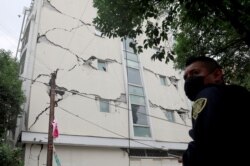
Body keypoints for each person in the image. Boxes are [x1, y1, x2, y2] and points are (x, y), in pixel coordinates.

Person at [181, 56, 250, 166]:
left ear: (217, 74)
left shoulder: (207, 93)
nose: (189, 79)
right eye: (186, 77)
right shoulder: (235, 95)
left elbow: (206, 146)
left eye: (195, 73)